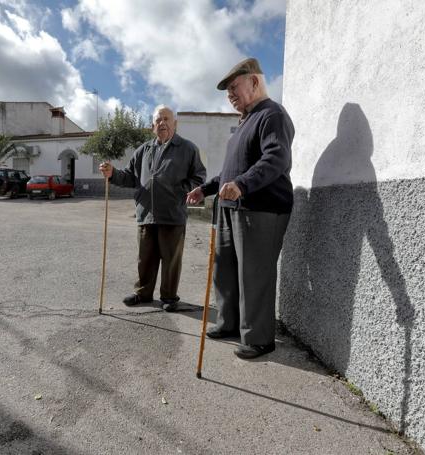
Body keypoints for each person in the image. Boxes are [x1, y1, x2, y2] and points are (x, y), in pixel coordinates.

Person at [187, 58, 295, 359]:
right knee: (226, 270)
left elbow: (276, 159)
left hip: (260, 209)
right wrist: (205, 189)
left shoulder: (272, 115)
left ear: (255, 82)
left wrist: (243, 184)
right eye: (227, 91)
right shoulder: (245, 122)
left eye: (234, 87)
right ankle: (230, 323)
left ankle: (259, 338)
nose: (230, 95)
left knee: (254, 274)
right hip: (230, 207)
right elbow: (230, 172)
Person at [100, 105, 206, 312]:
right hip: (146, 212)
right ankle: (143, 293)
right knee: (145, 258)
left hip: (172, 213)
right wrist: (113, 173)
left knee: (171, 259)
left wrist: (178, 192)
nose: (162, 123)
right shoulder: (143, 150)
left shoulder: (188, 148)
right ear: (152, 126)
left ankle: (169, 297)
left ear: (175, 124)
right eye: (158, 120)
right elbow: (130, 177)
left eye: (166, 119)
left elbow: (199, 177)